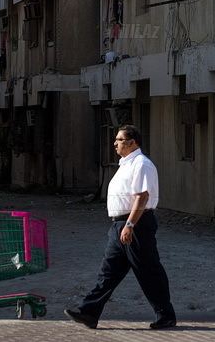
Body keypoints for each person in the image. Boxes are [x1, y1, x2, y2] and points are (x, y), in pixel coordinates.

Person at [64, 125, 177, 330]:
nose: (115, 143)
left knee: (149, 271)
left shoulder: (141, 164)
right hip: (119, 226)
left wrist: (130, 225)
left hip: (136, 225)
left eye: (119, 139)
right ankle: (88, 312)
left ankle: (166, 315)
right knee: (108, 272)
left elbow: (142, 197)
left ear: (132, 142)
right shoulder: (125, 165)